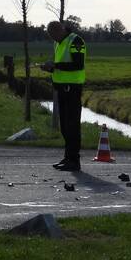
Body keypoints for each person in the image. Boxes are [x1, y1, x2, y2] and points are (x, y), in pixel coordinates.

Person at [39, 20, 86, 172]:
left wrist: (55, 65)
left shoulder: (76, 41)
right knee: (65, 126)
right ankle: (68, 157)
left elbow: (78, 65)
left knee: (72, 125)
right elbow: (62, 66)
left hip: (72, 88)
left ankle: (74, 160)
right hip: (62, 88)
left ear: (60, 30)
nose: (53, 39)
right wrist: (50, 69)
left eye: (54, 35)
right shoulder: (58, 43)